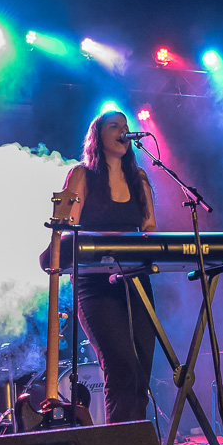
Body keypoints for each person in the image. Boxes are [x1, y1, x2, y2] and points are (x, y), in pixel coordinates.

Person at [62, 110, 157, 422]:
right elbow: (67, 228)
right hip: (94, 284)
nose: (123, 131)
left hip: (135, 280)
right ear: (98, 136)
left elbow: (150, 229)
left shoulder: (138, 178)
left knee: (141, 368)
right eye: (114, 126)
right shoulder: (82, 175)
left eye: (126, 126)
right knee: (121, 364)